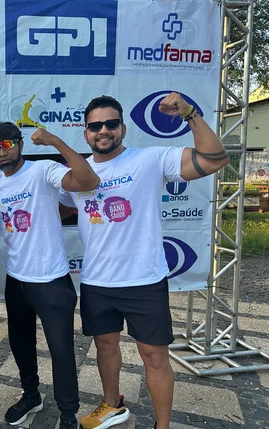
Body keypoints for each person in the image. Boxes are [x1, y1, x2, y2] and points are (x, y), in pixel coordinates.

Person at [58, 94, 229, 429]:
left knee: (155, 357)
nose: (103, 131)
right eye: (95, 126)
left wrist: (190, 114)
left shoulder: (150, 159)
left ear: (122, 128)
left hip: (143, 280)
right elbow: (55, 207)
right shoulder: (77, 174)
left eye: (110, 124)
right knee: (105, 349)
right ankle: (112, 405)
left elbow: (214, 159)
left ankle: (161, 426)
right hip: (96, 281)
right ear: (86, 133)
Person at [0, 122, 100, 429]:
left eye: (7, 144)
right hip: (17, 280)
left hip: (52, 280)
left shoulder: (43, 170)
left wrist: (54, 140)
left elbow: (87, 180)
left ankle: (68, 413)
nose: (2, 152)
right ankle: (31, 396)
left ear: (19, 143)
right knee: (20, 345)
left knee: (61, 351)